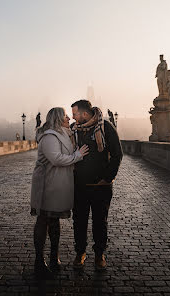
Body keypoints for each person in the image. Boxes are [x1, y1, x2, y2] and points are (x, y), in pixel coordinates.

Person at [30, 107, 89, 277]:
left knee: (54, 221)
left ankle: (54, 256)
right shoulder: (49, 136)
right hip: (47, 185)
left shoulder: (64, 134)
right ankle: (39, 261)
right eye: (65, 116)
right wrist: (77, 156)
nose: (69, 117)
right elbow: (56, 158)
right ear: (57, 118)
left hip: (58, 184)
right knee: (43, 220)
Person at [71, 100, 123, 271]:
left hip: (101, 186)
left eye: (75, 113)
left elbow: (117, 154)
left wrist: (108, 178)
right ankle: (80, 253)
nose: (73, 117)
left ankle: (99, 253)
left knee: (100, 222)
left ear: (84, 114)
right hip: (80, 185)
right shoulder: (73, 129)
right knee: (79, 221)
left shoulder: (105, 127)